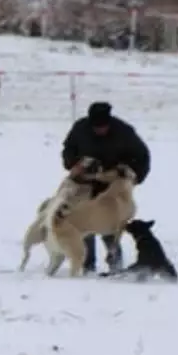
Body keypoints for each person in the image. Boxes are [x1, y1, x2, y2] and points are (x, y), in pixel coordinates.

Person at [60, 101, 151, 273]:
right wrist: (72, 163)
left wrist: (134, 177)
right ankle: (87, 264)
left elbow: (142, 156)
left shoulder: (124, 132)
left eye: (103, 127)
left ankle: (115, 264)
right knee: (84, 224)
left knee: (110, 225)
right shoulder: (80, 128)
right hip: (84, 184)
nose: (100, 131)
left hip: (111, 186)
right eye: (96, 127)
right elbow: (68, 148)